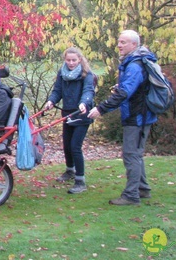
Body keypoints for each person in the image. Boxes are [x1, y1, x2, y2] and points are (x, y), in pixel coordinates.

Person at [88, 29, 158, 205]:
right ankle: (143, 189)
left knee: (130, 155)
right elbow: (133, 88)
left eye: (123, 42)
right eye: (119, 41)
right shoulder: (135, 62)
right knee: (136, 154)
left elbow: (124, 94)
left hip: (137, 118)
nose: (119, 45)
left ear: (134, 45)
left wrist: (101, 109)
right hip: (141, 115)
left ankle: (131, 196)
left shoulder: (134, 65)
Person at [45, 47, 96, 194]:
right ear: (65, 60)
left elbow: (88, 91)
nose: (71, 63)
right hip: (67, 113)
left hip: (82, 114)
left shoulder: (86, 74)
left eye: (74, 60)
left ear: (80, 59)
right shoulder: (62, 73)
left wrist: (84, 102)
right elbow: (57, 91)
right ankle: (70, 170)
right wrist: (51, 101)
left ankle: (80, 181)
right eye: (68, 60)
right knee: (66, 144)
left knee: (75, 146)